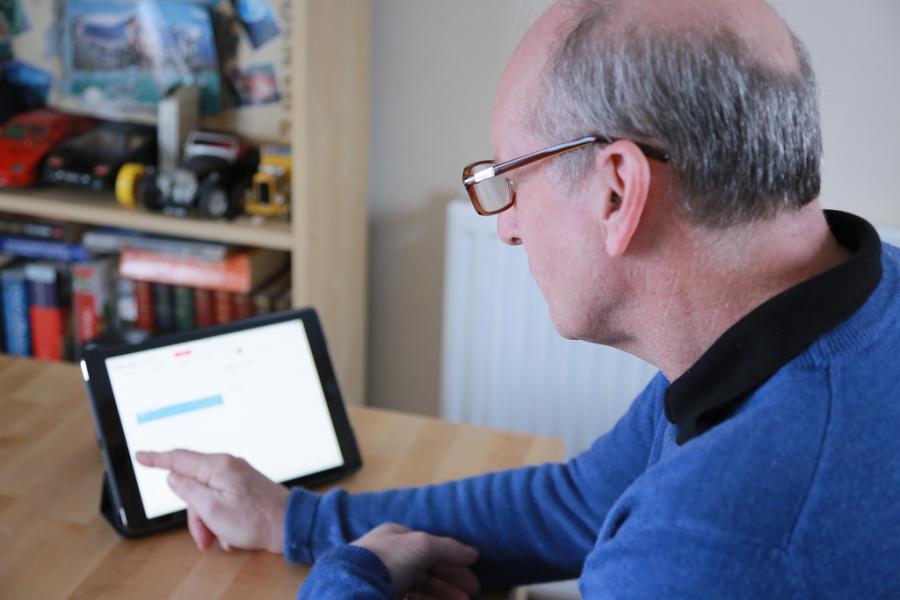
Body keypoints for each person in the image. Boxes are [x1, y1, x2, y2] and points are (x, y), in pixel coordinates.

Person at [138, 0, 900, 597]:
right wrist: (297, 522)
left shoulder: (715, 544)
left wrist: (351, 578)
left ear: (615, 191)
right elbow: (580, 501)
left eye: (509, 181)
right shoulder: (838, 308)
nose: (504, 230)